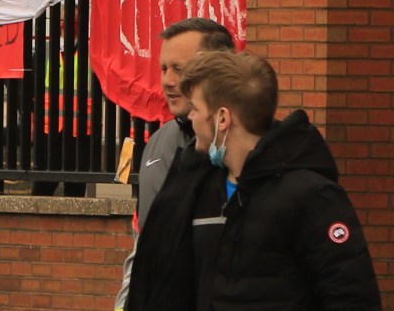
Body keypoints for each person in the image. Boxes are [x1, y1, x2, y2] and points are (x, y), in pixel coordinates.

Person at [127, 51, 381, 310]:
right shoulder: (196, 187)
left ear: (223, 118)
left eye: (196, 109)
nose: (189, 118)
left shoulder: (311, 195)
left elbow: (351, 296)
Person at [114, 18, 234, 311]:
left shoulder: (246, 147)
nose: (167, 81)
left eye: (180, 70)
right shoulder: (157, 146)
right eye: (164, 69)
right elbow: (143, 250)